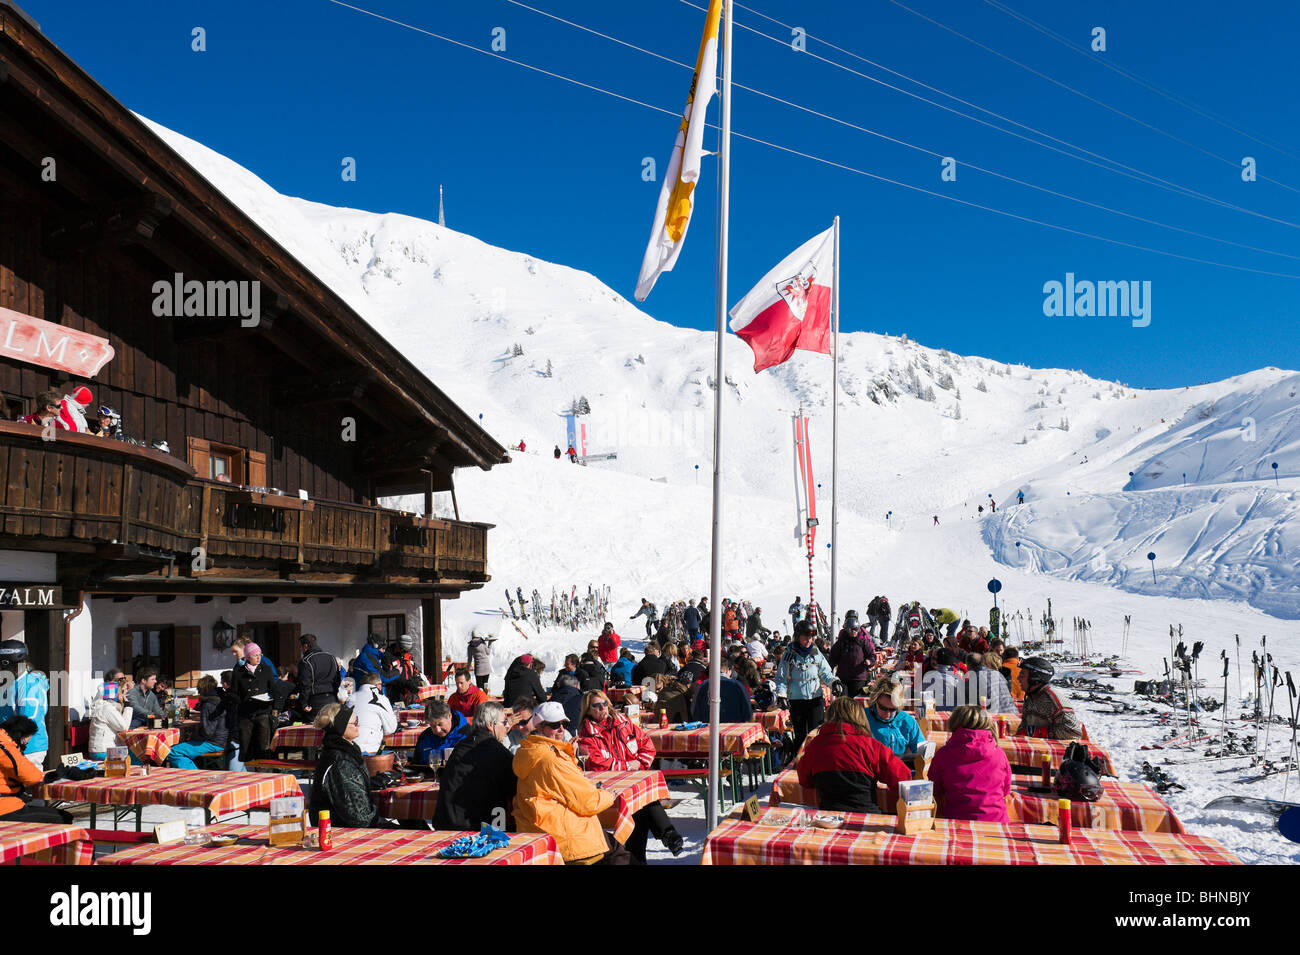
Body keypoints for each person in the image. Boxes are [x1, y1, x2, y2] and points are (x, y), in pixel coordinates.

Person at [513, 702, 628, 865]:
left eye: (563, 723)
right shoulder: (551, 759)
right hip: (563, 837)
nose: (561, 729)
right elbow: (587, 802)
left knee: (613, 846)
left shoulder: (529, 752)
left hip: (539, 827)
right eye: (554, 725)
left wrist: (569, 755)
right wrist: (608, 796)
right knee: (618, 852)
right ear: (539, 727)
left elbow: (563, 788)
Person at [576, 692, 683, 860]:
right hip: (607, 790)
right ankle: (668, 834)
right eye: (596, 706)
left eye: (604, 703)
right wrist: (627, 765)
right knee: (641, 803)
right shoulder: (586, 735)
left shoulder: (624, 723)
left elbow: (647, 746)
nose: (602, 708)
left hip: (632, 781)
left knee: (640, 803)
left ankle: (644, 854)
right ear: (588, 711)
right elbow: (596, 763)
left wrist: (640, 763)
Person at [796, 698, 912, 813]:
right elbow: (903, 777)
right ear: (860, 717)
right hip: (867, 815)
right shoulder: (871, 746)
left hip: (828, 816)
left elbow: (804, 781)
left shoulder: (815, 745)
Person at [433, 701, 518, 831]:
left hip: (445, 822)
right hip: (479, 827)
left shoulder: (462, 746)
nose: (506, 727)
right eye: (504, 722)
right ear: (491, 725)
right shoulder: (499, 753)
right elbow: (515, 790)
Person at [929, 705, 1012, 822]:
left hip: (957, 822)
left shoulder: (943, 754)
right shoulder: (999, 753)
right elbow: (1006, 790)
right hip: (997, 822)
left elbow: (934, 789)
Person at [308, 704, 384, 828]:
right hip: (339, 831)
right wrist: (382, 812)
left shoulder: (345, 751)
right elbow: (360, 817)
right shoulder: (341, 762)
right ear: (341, 727)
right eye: (355, 722)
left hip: (346, 825)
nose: (358, 725)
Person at [775, 620, 835, 754]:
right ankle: (799, 764)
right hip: (797, 700)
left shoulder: (815, 652)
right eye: (805, 636)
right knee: (800, 735)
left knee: (817, 733)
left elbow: (826, 673)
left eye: (811, 636)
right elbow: (781, 677)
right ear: (798, 636)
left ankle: (818, 762)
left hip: (815, 698)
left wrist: (834, 682)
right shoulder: (789, 654)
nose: (809, 640)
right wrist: (782, 695)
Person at [0, 716, 71, 823]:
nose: (24, 746)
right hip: (6, 808)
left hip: (8, 803)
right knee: (64, 817)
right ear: (19, 735)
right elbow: (32, 778)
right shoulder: (6, 747)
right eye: (25, 742)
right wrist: (48, 777)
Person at [0, 640, 48, 767]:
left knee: (26, 785)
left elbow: (28, 723)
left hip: (28, 749)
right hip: (9, 744)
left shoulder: (28, 686)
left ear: (7, 664)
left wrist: (16, 746)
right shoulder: (11, 682)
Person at [167, 676, 229, 769]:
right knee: (186, 747)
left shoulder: (208, 704)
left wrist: (194, 736)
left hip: (215, 742)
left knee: (174, 751)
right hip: (224, 739)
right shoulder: (220, 699)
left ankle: (194, 774)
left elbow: (208, 732)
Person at [1016, 658, 1083, 740]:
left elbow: (1073, 732)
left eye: (1022, 675)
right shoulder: (1031, 697)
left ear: (1034, 678)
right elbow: (1024, 727)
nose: (1018, 678)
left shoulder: (1053, 701)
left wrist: (1035, 732)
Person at [231, 644, 278, 760]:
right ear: (248, 657)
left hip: (262, 712)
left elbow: (273, 689)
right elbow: (233, 692)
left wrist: (271, 700)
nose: (258, 658)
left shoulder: (266, 670)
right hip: (245, 714)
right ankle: (247, 773)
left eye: (259, 655)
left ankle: (263, 773)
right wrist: (243, 701)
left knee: (263, 747)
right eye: (255, 655)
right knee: (246, 747)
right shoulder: (238, 672)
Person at [863, 675, 925, 757]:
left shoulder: (907, 721)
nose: (887, 714)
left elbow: (920, 753)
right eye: (883, 708)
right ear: (875, 700)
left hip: (897, 766)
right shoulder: (862, 718)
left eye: (892, 709)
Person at [690, 657, 754, 723]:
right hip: (733, 727)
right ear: (728, 670)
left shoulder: (702, 685)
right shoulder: (738, 685)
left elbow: (694, 711)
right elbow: (748, 713)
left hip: (708, 728)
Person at [829, 610, 877, 699]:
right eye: (852, 630)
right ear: (847, 629)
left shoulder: (862, 641)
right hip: (843, 677)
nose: (854, 632)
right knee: (844, 702)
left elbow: (872, 655)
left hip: (858, 678)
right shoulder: (841, 642)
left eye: (856, 629)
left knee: (856, 703)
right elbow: (833, 657)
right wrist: (828, 671)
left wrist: (869, 661)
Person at [348, 671, 398, 756]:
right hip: (370, 751)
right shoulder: (381, 699)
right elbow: (391, 728)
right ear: (378, 685)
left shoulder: (350, 698)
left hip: (349, 748)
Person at [296, 632, 341, 718]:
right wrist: (334, 693)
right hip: (332, 698)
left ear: (305, 646)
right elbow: (337, 679)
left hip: (315, 701)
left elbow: (305, 684)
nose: (301, 650)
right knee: (332, 726)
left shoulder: (306, 661)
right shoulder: (331, 657)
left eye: (300, 647)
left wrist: (303, 703)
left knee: (316, 728)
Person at [89, 673, 133, 759]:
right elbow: (124, 727)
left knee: (133, 753)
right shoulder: (106, 708)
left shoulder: (104, 706)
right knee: (135, 756)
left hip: (100, 749)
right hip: (102, 751)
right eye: (121, 691)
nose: (123, 695)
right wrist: (128, 707)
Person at [414, 699, 469, 765]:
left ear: (449, 716)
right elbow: (416, 764)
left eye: (440, 724)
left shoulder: (468, 735)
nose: (438, 730)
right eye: (433, 726)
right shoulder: (425, 736)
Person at [384, 634, 423, 706]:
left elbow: (415, 671)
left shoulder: (408, 656)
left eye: (407, 650)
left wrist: (415, 681)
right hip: (395, 693)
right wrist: (406, 683)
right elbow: (388, 676)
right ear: (399, 647)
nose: (405, 652)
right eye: (403, 650)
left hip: (409, 695)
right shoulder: (388, 656)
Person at [125, 665, 165, 730]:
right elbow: (135, 708)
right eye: (153, 679)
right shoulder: (132, 692)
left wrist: (164, 716)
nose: (155, 681)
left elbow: (158, 711)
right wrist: (153, 715)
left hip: (146, 728)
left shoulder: (152, 695)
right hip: (131, 728)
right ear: (143, 680)